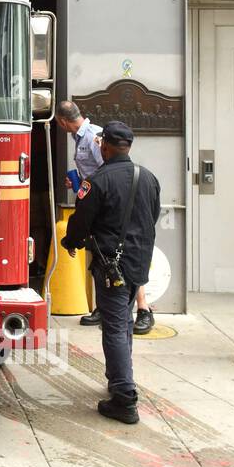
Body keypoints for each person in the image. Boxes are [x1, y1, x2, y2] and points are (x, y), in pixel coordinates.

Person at [61, 121, 161, 424]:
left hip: (110, 264)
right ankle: (120, 379)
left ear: (104, 146)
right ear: (127, 146)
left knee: (115, 327)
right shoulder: (149, 177)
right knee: (124, 323)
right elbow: (152, 216)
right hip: (138, 262)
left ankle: (124, 397)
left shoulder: (98, 180)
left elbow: (82, 221)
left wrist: (71, 242)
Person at [56, 101, 155, 334]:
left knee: (120, 258)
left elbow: (111, 171)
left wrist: (93, 189)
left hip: (109, 205)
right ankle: (103, 307)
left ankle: (143, 309)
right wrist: (79, 182)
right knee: (103, 258)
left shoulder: (93, 138)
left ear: (62, 121)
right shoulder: (80, 137)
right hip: (98, 201)